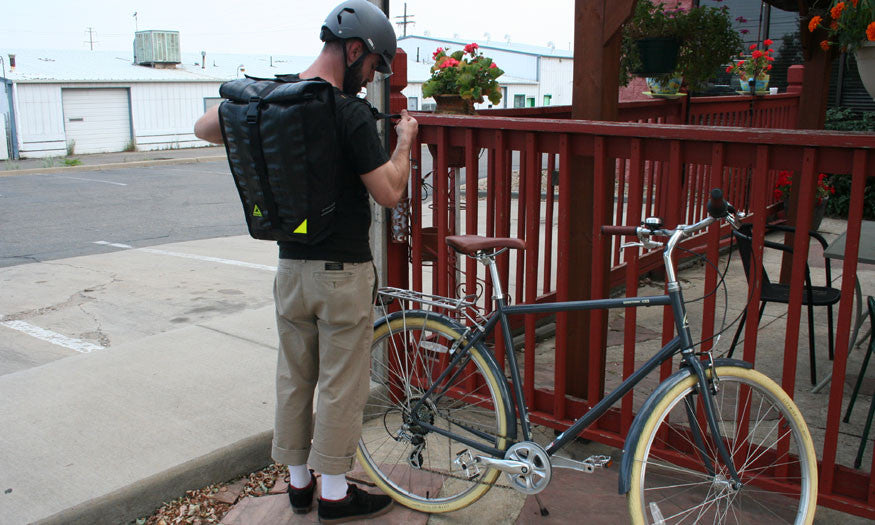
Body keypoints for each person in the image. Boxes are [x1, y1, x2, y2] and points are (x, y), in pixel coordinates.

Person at [194, 1, 418, 522]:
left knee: (294, 376)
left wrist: (262, 99)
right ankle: (336, 494)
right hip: (341, 274)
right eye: (374, 67)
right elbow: (388, 192)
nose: (371, 80)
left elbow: (206, 126)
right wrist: (404, 144)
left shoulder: (280, 98)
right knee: (342, 383)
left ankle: (298, 485)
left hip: (290, 269)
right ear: (355, 49)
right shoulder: (346, 111)